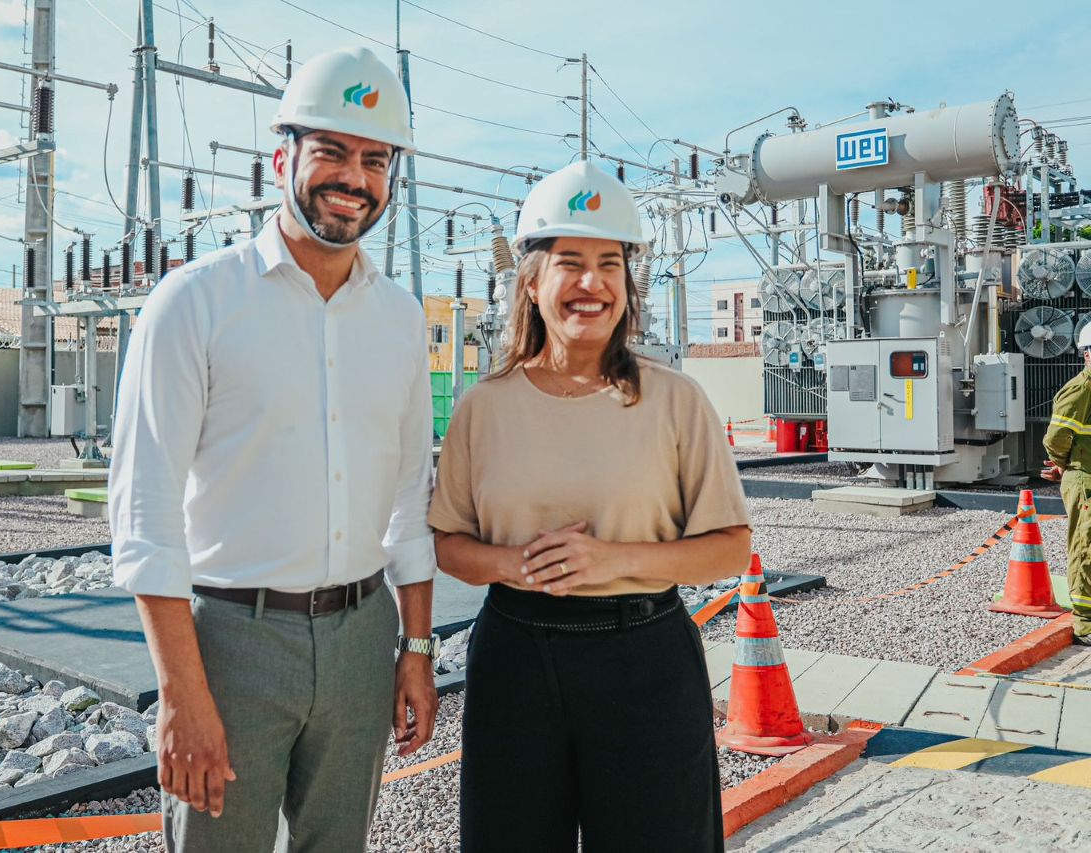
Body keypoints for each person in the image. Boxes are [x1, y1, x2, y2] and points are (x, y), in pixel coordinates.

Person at [109, 46, 441, 852]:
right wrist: (182, 695)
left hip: (364, 635)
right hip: (232, 640)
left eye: (373, 159)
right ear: (282, 155)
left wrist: (416, 648)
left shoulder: (399, 320)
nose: (353, 178)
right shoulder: (194, 303)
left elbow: (408, 497)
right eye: (330, 150)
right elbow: (147, 515)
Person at [429, 160, 752, 852]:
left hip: (645, 658)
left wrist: (613, 559)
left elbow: (730, 546)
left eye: (610, 263)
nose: (591, 282)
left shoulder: (675, 400)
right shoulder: (484, 407)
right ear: (531, 282)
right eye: (569, 261)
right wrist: (512, 564)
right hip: (516, 657)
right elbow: (446, 540)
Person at [1041, 321, 1091, 646]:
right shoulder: (1081, 389)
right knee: (1086, 546)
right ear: (1087, 355)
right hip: (1086, 480)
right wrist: (1064, 465)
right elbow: (1056, 438)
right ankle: (1085, 623)